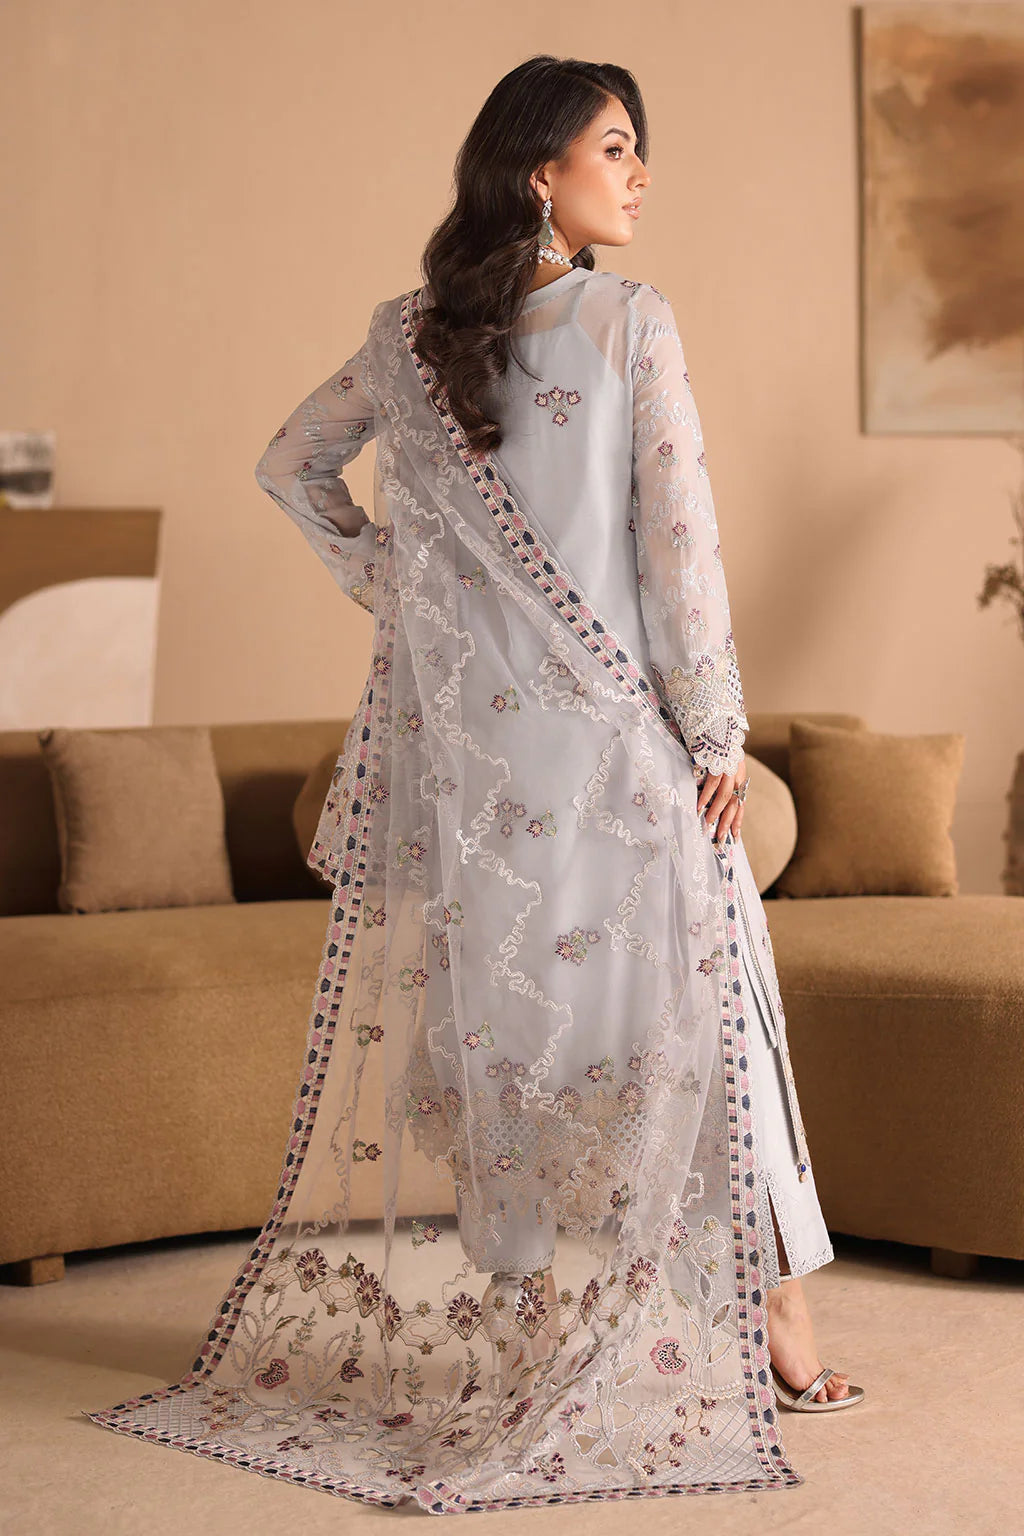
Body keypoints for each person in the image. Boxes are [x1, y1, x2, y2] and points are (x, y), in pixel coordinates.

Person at [85, 54, 862, 1510]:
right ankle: (780, 1326)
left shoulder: (407, 339)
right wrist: (717, 733)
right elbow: (678, 545)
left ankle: (522, 1327)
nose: (640, 175)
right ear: (537, 172)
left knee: (508, 1027)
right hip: (622, 750)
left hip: (484, 763)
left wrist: (412, 595)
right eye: (616, 147)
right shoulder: (631, 321)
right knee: (714, 1020)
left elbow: (289, 466)